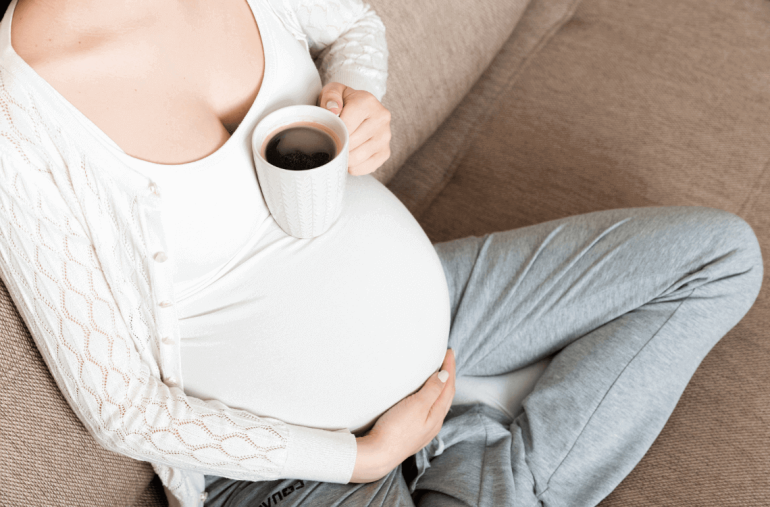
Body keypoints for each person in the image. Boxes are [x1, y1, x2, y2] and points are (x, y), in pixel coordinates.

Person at [0, 0, 762, 506]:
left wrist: (358, 95)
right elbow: (122, 409)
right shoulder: (20, 117)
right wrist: (362, 458)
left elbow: (354, 26)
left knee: (719, 258)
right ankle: (476, 466)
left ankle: (465, 451)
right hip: (291, 466)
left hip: (436, 316)